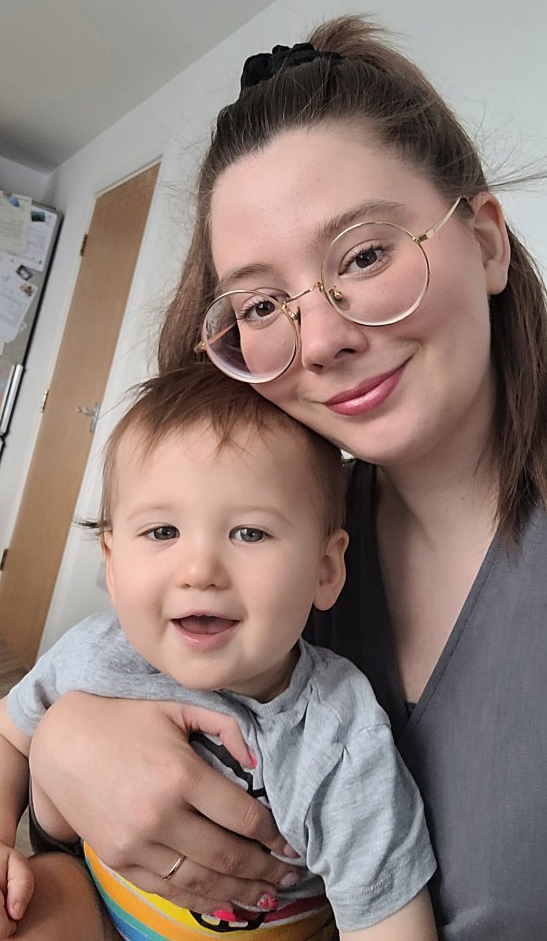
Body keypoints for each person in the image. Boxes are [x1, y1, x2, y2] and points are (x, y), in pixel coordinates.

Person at [26, 14, 547, 941]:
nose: (319, 338)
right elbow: (73, 870)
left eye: (364, 255)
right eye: (263, 304)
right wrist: (64, 756)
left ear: (488, 242)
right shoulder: (264, 541)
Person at [0, 364, 438, 940]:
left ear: (326, 569)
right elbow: (10, 735)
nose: (199, 570)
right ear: (110, 561)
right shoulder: (96, 654)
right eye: (162, 532)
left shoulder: (335, 734)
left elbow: (389, 921)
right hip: (96, 907)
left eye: (249, 533)